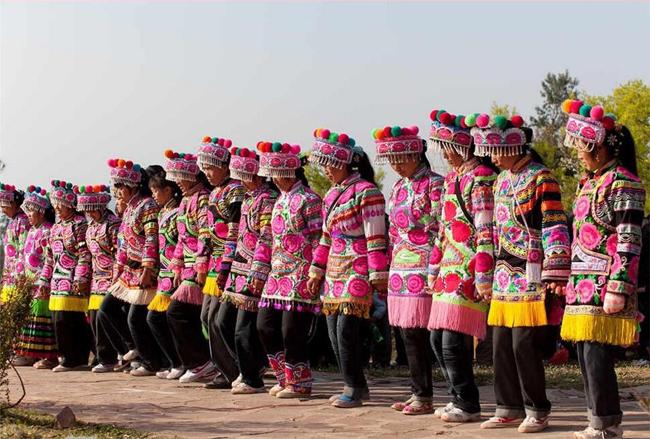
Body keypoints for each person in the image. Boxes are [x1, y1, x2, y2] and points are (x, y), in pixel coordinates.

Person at [470, 114, 571, 433]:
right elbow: (490, 231)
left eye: (497, 150)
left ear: (515, 146)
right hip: (503, 274)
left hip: (532, 272)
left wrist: (556, 268)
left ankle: (537, 408)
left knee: (522, 345)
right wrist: (484, 273)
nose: (493, 157)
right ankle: (508, 406)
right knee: (499, 345)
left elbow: (555, 224)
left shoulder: (542, 178)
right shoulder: (500, 182)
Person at [559, 101, 646, 439]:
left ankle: (607, 423)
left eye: (582, 147)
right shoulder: (590, 182)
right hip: (582, 282)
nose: (579, 154)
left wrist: (619, 284)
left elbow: (629, 238)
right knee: (584, 353)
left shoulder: (624, 184)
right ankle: (597, 417)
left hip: (607, 282)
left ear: (597, 146)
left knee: (597, 357)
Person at [307, 128, 388, 408]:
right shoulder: (331, 195)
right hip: (334, 270)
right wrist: (316, 270)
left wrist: (378, 275)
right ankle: (355, 384)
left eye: (330, 165)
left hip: (358, 268)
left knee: (346, 330)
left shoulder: (367, 193)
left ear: (345, 163)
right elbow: (326, 237)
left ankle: (353, 386)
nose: (326, 171)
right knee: (332, 330)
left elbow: (376, 236)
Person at [427, 110, 497, 422]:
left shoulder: (481, 177)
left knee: (452, 340)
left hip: (469, 267)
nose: (443, 153)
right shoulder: (452, 180)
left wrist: (483, 273)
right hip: (448, 268)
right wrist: (433, 268)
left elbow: (485, 228)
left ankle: (468, 402)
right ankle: (458, 395)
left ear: (460, 147)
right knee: (436, 339)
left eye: (446, 146)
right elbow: (443, 228)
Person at [374, 124, 443, 415]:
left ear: (416, 154)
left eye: (400, 158)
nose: (396, 165)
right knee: (405, 334)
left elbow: (443, 228)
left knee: (428, 336)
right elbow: (392, 232)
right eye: (391, 160)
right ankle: (420, 393)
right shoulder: (398, 187)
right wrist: (388, 266)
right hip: (401, 270)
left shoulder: (434, 184)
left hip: (427, 265)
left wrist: (436, 265)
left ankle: (439, 393)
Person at [255, 141, 322, 398]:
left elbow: (318, 238)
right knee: (264, 326)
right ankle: (284, 376)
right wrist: (258, 273)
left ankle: (300, 382)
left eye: (278, 173)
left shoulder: (310, 200)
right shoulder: (279, 201)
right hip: (276, 274)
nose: (275, 179)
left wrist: (316, 271)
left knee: (291, 330)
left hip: (301, 273)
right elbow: (267, 239)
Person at [219, 146, 278, 394]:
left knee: (243, 328)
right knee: (223, 322)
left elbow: (266, 238)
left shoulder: (267, 199)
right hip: (238, 270)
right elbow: (235, 235)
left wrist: (257, 272)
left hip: (255, 270)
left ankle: (252, 377)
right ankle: (251, 367)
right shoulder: (248, 199)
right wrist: (225, 267)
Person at [98, 159, 162, 376]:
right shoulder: (128, 209)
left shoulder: (148, 206)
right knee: (107, 308)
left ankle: (151, 361)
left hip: (145, 272)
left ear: (132, 185)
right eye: (115, 186)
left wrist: (148, 269)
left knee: (135, 318)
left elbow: (152, 239)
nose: (117, 191)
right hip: (128, 272)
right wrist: (117, 273)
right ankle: (131, 348)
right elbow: (123, 244)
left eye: (120, 186)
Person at [163, 150, 216, 383]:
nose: (177, 183)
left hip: (200, 267)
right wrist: (177, 266)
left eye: (180, 178)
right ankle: (198, 361)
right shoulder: (185, 201)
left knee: (178, 312)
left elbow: (206, 234)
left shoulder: (203, 198)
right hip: (187, 268)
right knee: (188, 316)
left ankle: (202, 362)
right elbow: (182, 239)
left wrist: (201, 265)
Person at [196, 136, 244, 389]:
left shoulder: (235, 190)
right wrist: (202, 263)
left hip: (230, 263)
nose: (208, 173)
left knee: (217, 318)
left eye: (211, 167)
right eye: (205, 168)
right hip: (214, 265)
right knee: (206, 317)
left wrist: (226, 265)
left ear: (226, 166)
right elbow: (206, 230)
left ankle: (234, 369)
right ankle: (224, 367)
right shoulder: (213, 193)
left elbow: (235, 230)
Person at [40, 180, 93, 372]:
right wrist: (44, 281)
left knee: (70, 320)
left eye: (59, 204)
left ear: (70, 204)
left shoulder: (80, 225)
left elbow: (85, 254)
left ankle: (75, 358)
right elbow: (49, 258)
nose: (56, 208)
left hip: (73, 280)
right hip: (56, 280)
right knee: (58, 320)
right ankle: (68, 356)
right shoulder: (55, 228)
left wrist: (81, 278)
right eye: (54, 205)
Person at [77, 184, 123, 372]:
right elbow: (86, 255)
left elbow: (119, 253)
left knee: (107, 317)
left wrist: (116, 277)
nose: (89, 214)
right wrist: (81, 278)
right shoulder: (90, 228)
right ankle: (102, 357)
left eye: (92, 210)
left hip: (112, 277)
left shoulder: (112, 224)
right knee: (94, 318)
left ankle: (112, 357)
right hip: (96, 278)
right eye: (86, 211)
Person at [146, 165, 184, 380]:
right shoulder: (162, 213)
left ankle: (179, 361)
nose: (154, 195)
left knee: (161, 319)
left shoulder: (178, 212)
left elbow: (182, 241)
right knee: (158, 320)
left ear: (168, 190)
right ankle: (174, 361)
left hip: (175, 272)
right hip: (164, 274)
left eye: (156, 191)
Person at [14, 186, 57, 369]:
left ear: (40, 212)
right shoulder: (32, 231)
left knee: (42, 317)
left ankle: (48, 356)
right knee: (29, 317)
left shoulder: (48, 231)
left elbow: (49, 259)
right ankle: (30, 354)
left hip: (43, 281)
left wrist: (44, 280)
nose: (28, 215)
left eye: (31, 211)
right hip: (30, 281)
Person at [0, 183, 30, 304]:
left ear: (14, 204)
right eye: (1, 205)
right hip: (10, 274)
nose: (2, 209)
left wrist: (21, 275)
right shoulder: (13, 222)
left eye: (5, 205)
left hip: (18, 276)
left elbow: (23, 250)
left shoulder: (22, 221)